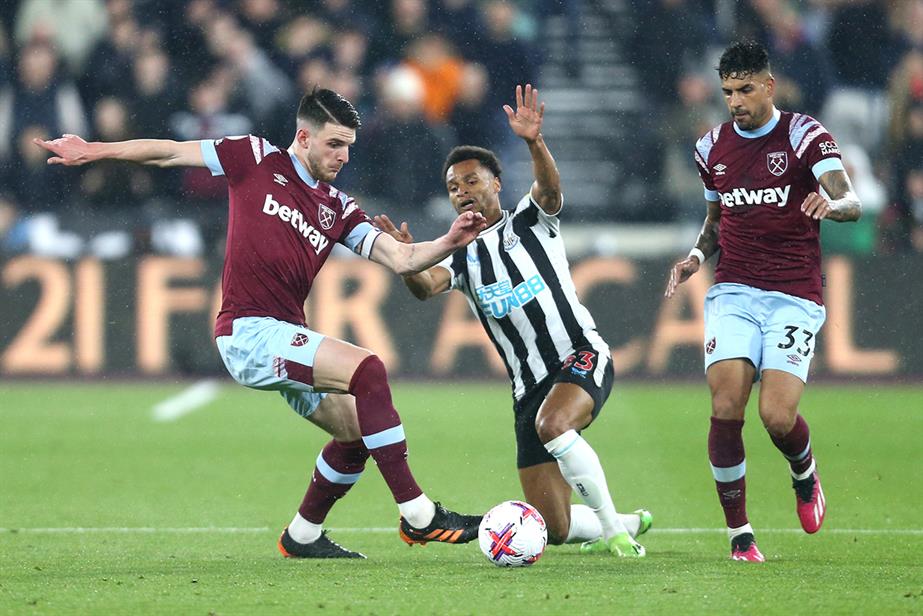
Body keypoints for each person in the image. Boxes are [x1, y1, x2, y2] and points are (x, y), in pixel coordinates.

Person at [34, 87, 487, 559]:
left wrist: (449, 240)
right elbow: (169, 152)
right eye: (334, 144)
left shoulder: (338, 207)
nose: (344, 156)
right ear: (304, 137)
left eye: (349, 146)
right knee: (367, 370)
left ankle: (302, 536)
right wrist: (94, 150)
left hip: (284, 336)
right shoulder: (254, 157)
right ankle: (419, 516)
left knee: (356, 433)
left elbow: (401, 258)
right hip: (248, 332)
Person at [375, 84, 651, 557]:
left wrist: (533, 142)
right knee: (554, 527)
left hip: (579, 354)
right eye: (453, 187)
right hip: (527, 388)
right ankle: (627, 520)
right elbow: (426, 287)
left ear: (496, 184)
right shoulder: (460, 254)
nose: (462, 192)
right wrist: (404, 262)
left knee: (555, 424)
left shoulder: (529, 220)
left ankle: (615, 534)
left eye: (471, 181)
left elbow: (550, 190)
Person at [664, 41, 862, 562]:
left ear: (769, 86)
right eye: (727, 91)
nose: (735, 101)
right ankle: (740, 535)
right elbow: (715, 222)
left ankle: (804, 471)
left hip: (794, 295)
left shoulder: (803, 135)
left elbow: (851, 200)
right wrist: (694, 257)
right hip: (734, 290)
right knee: (726, 404)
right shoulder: (710, 148)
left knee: (776, 416)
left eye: (745, 89)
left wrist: (832, 205)